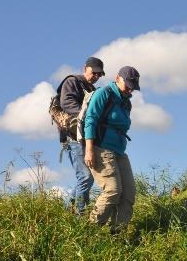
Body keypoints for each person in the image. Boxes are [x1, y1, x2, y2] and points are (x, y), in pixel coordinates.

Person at [83, 66, 139, 230]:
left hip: (120, 152)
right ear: (117, 79)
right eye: (128, 85)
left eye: (133, 86)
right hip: (101, 149)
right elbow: (91, 120)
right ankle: (90, 231)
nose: (130, 89)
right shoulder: (104, 93)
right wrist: (89, 150)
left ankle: (117, 234)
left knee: (128, 194)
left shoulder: (126, 103)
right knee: (112, 191)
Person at [58, 56, 105, 214]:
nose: (97, 77)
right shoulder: (72, 82)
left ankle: (67, 214)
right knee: (85, 177)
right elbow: (67, 103)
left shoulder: (92, 90)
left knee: (86, 178)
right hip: (73, 138)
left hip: (86, 139)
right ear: (85, 68)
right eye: (95, 73)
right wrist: (89, 115)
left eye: (100, 75)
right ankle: (79, 215)